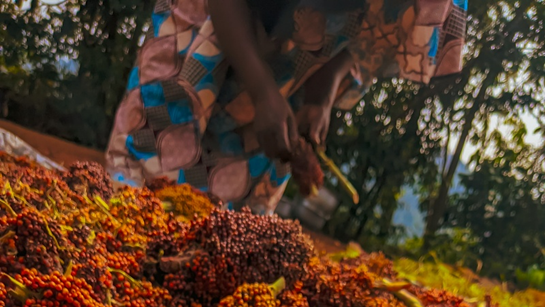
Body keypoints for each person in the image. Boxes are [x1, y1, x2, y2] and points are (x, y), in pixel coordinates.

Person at [106, 0, 467, 214]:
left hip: (288, 65)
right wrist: (263, 92)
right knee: (148, 188)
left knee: (230, 213)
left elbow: (358, 39)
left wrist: (319, 99)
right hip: (213, 24)